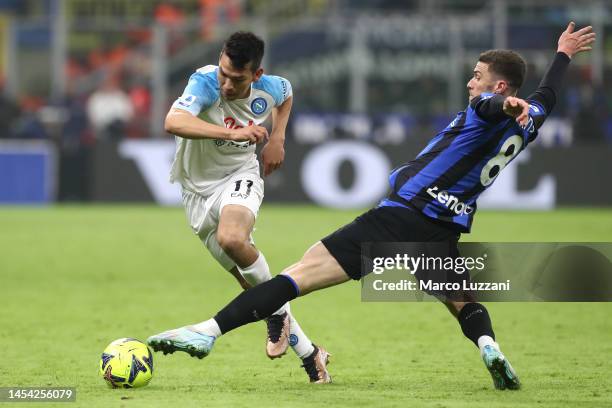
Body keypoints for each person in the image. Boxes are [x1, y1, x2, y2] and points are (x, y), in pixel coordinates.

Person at [148, 22, 595, 388]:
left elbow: (493, 106)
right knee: (461, 300)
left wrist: (502, 101)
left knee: (296, 275)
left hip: (401, 214)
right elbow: (549, 95)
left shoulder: (488, 106)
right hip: (443, 227)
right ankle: (489, 348)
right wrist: (563, 55)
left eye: (477, 76)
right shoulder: (531, 118)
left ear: (497, 84)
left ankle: (208, 332)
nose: (469, 82)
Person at [147, 32, 329, 383]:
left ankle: (277, 319)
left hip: (239, 175)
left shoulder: (269, 89)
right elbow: (173, 121)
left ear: (256, 75)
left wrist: (277, 138)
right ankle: (311, 354)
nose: (227, 85)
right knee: (255, 289)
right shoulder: (204, 82)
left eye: (238, 79)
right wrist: (232, 133)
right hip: (196, 192)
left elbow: (286, 93)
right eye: (224, 74)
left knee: (233, 238)